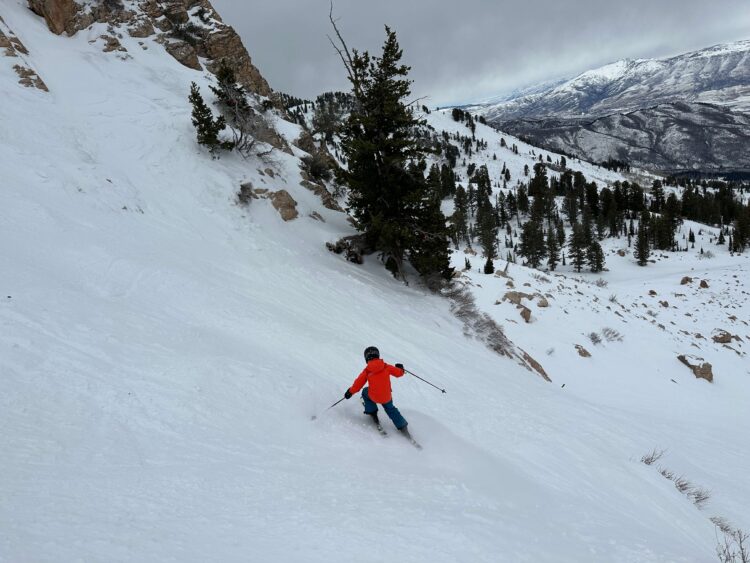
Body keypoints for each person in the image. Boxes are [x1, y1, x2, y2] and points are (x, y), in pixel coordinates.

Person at [344, 346, 408, 431]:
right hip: (387, 397)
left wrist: (350, 392)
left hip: (374, 397)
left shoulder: (367, 370)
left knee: (365, 392)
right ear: (377, 355)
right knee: (391, 409)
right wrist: (401, 369)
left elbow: (358, 384)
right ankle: (402, 426)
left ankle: (372, 411)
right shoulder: (386, 366)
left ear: (366, 358)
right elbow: (399, 373)